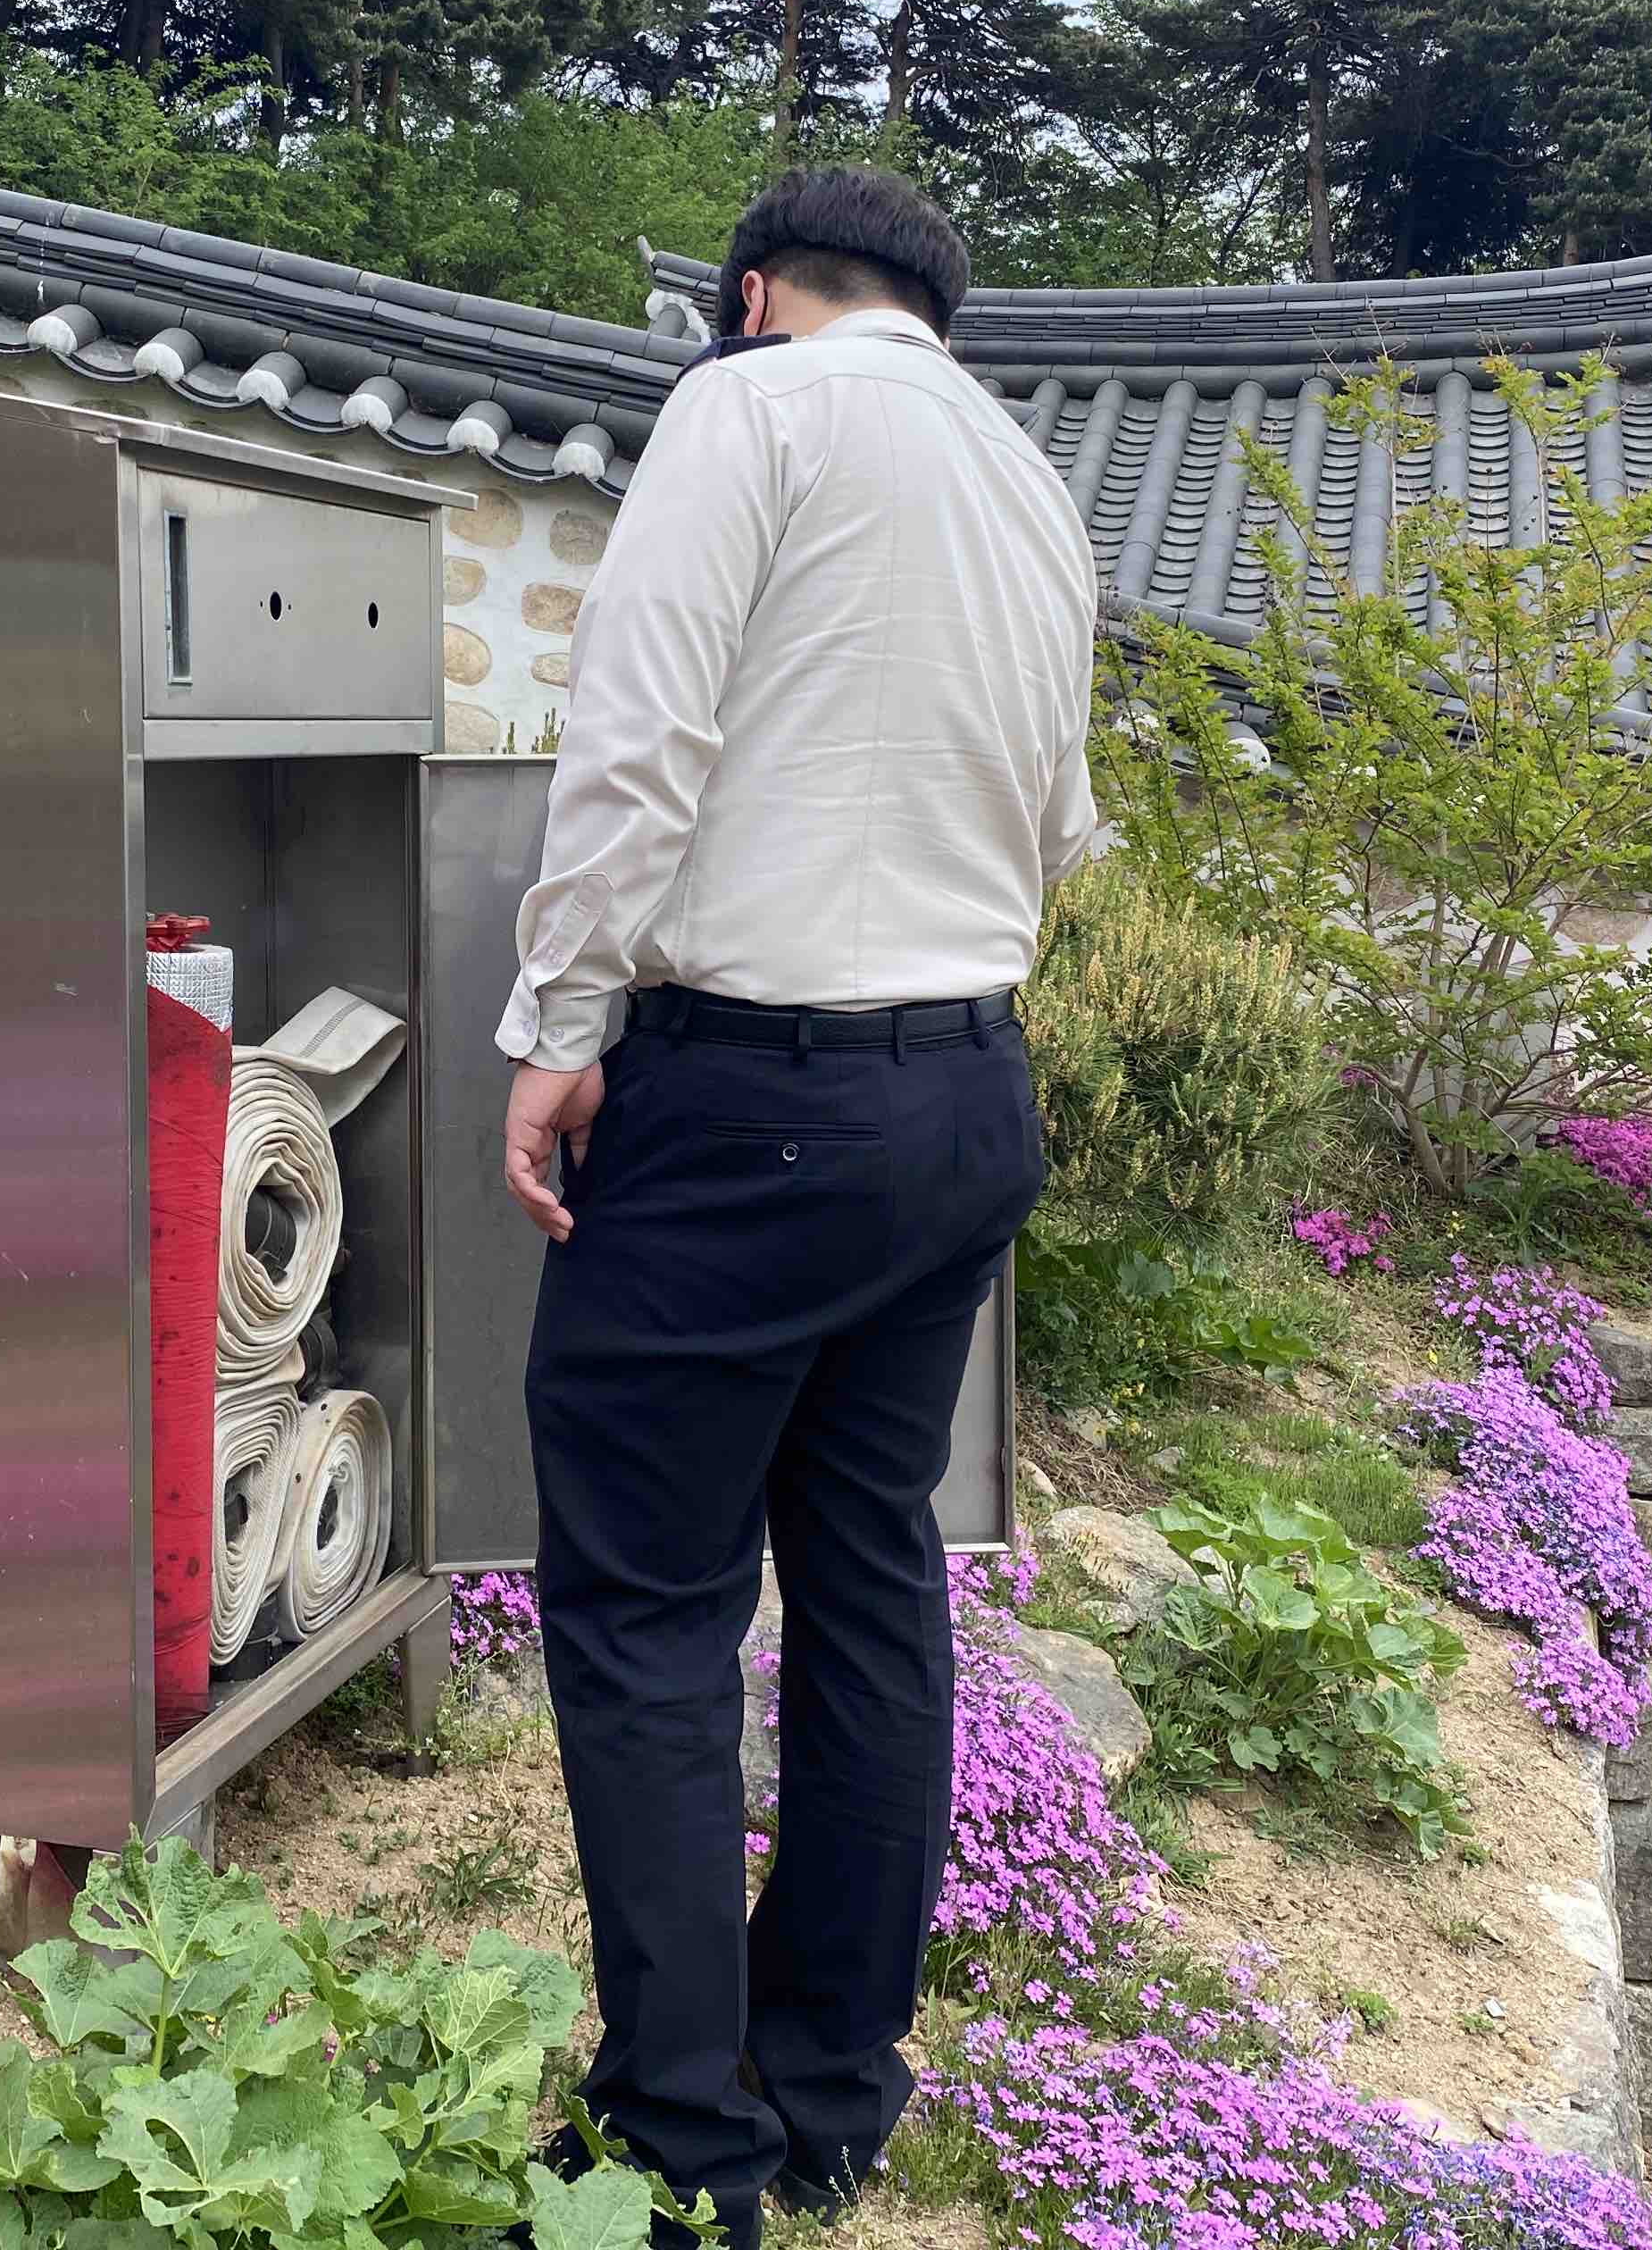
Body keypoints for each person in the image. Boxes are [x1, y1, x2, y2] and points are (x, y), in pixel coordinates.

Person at [495, 167, 1099, 2247]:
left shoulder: (747, 408)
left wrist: (561, 1020)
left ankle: (682, 2152)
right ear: (936, 310)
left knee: (649, 1613)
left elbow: (636, 739)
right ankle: (829, 2094)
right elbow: (1060, 822)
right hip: (967, 1091)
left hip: (749, 1098)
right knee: (869, 1576)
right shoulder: (1031, 482)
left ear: (754, 296)